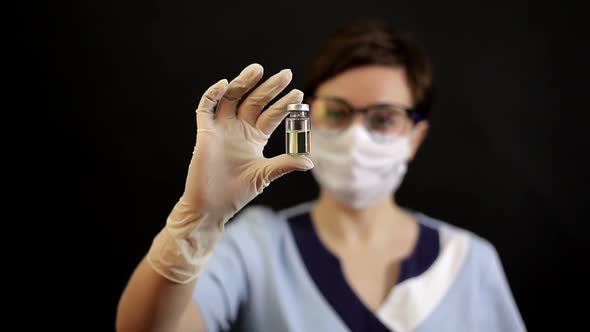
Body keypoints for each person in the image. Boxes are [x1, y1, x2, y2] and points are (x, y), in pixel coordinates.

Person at [116, 18, 526, 332]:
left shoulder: (470, 262)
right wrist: (197, 221)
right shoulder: (257, 247)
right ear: (308, 119)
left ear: (416, 137)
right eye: (336, 111)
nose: (356, 136)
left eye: (384, 118)